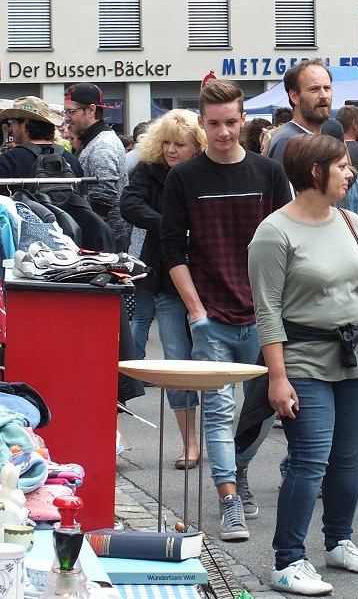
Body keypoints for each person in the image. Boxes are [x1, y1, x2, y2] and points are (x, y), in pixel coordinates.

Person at [248, 133, 358, 595]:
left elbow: (352, 285)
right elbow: (266, 310)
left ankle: (339, 542)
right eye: (344, 166)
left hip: (356, 356)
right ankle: (288, 560)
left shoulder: (350, 222)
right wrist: (278, 377)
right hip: (303, 360)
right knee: (310, 460)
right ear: (315, 172)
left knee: (347, 457)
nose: (351, 173)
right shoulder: (274, 232)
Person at [161, 79, 293, 540]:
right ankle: (229, 496)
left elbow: (287, 242)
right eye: (214, 124)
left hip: (263, 314)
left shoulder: (268, 174)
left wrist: (277, 304)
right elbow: (172, 248)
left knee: (263, 408)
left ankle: (235, 470)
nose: (223, 132)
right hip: (211, 314)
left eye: (231, 122)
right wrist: (196, 310)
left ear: (243, 120)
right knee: (217, 411)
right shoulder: (184, 177)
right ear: (202, 123)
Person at [120, 109, 206, 466]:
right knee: (177, 361)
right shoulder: (149, 171)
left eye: (180, 144)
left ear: (195, 146)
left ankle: (222, 443)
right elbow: (130, 204)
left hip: (211, 277)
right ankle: (190, 442)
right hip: (167, 277)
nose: (171, 150)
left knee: (221, 363)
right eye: (167, 142)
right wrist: (170, 225)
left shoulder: (208, 174)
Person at [63, 82, 129, 250]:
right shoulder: (94, 142)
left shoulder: (102, 146)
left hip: (103, 244)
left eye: (71, 111)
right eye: (66, 112)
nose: (67, 117)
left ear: (91, 110)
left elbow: (102, 201)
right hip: (102, 240)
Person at [0, 96, 84, 182]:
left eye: (13, 122)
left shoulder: (10, 159)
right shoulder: (71, 159)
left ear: (26, 124)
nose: (11, 127)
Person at [265, 61, 333, 162]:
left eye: (327, 88)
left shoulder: (320, 137)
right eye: (314, 89)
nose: (323, 95)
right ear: (294, 96)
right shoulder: (288, 142)